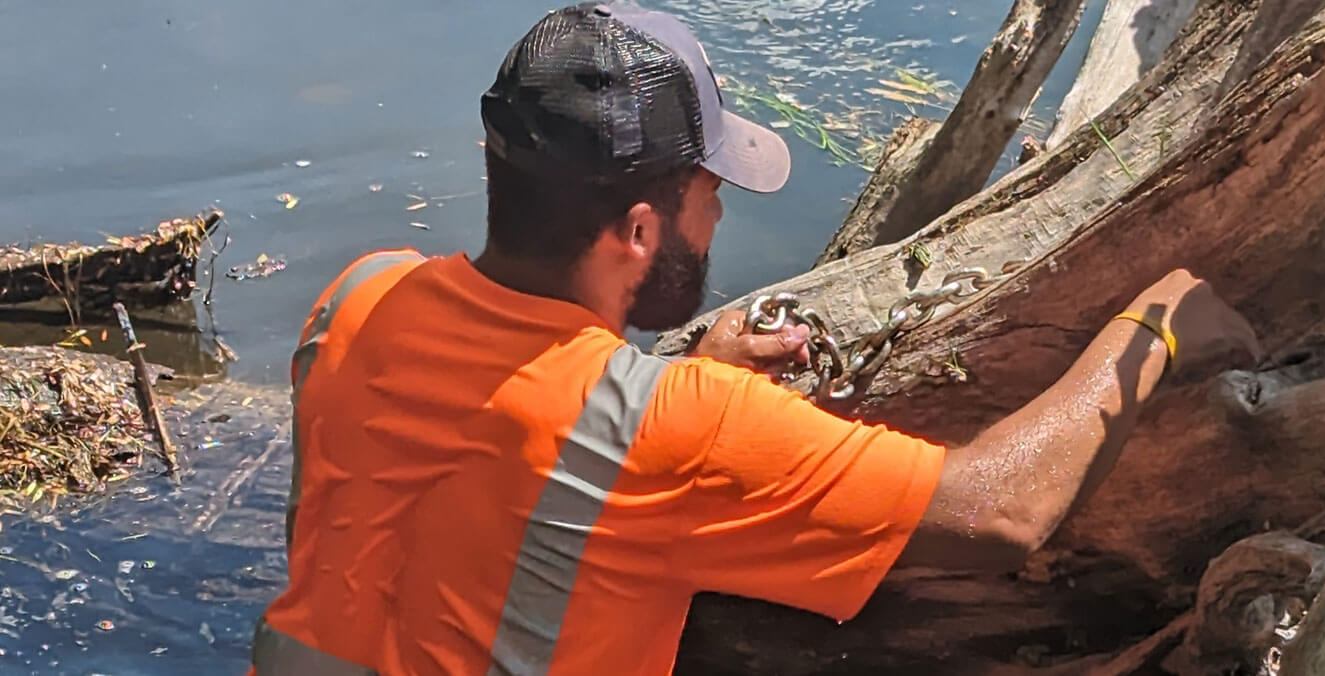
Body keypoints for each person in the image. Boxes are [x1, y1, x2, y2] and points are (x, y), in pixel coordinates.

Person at [247, 3, 1261, 675]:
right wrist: (1151, 330)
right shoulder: (673, 429)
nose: (719, 221)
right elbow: (1002, 511)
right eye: (708, 197)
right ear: (640, 230)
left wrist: (672, 383)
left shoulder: (357, 299)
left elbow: (488, 453)